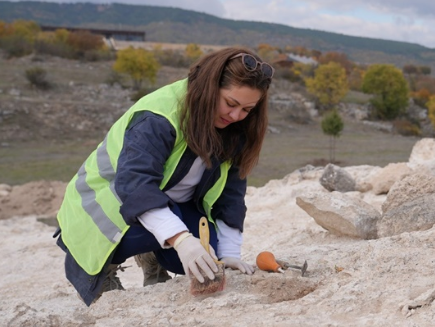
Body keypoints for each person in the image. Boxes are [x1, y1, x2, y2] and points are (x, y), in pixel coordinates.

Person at [55, 46, 274, 305]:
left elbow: (231, 194)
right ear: (208, 87)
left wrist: (228, 253)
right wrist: (181, 239)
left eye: (247, 110)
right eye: (230, 103)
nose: (236, 116)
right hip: (107, 206)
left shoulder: (234, 127)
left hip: (169, 205)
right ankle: (107, 267)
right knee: (178, 231)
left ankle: (153, 255)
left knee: (207, 253)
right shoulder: (159, 116)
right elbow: (136, 186)